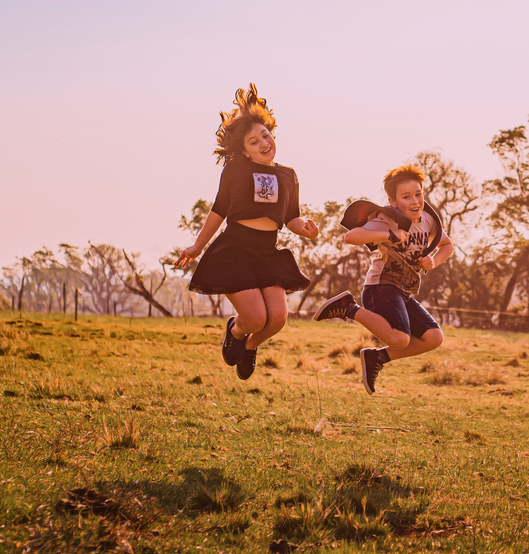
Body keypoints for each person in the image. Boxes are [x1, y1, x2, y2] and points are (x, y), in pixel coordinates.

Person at [175, 84, 318, 380]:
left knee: (277, 319)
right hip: (235, 250)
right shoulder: (235, 171)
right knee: (255, 317)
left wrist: (305, 230)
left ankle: (250, 346)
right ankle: (236, 330)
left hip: (268, 251)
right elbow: (218, 210)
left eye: (265, 135)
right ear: (244, 150)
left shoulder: (288, 175)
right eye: (254, 141)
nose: (263, 143)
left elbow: (291, 217)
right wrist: (197, 246)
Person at [314, 165, 453, 394]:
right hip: (380, 288)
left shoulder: (427, 220)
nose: (415, 201)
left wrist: (434, 261)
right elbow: (352, 236)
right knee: (400, 339)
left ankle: (376, 357)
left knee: (434, 337)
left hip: (403, 292)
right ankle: (347, 308)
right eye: (406, 197)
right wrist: (389, 234)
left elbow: (447, 246)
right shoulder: (387, 219)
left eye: (418, 194)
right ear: (393, 201)